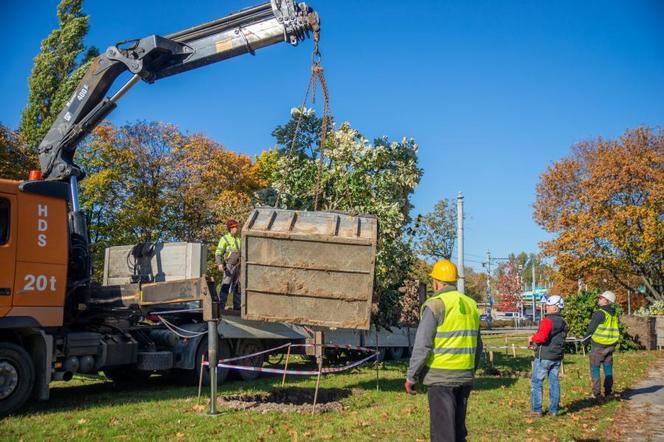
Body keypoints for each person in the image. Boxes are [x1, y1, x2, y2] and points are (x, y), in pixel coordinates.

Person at [405, 259, 482, 442]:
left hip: (440, 379)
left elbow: (423, 344)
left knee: (443, 435)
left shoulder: (436, 305)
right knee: (458, 432)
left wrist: (411, 376)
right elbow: (478, 346)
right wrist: (470, 371)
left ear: (436, 282)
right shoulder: (471, 305)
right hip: (464, 377)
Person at [528, 295, 568, 417]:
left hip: (544, 356)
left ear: (555, 308)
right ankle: (554, 410)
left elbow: (542, 337)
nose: (546, 307)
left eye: (549, 305)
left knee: (536, 382)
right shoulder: (563, 322)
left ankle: (536, 410)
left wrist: (532, 338)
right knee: (554, 382)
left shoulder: (547, 321)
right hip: (557, 357)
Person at [584, 290, 620, 400]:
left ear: (606, 301)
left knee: (595, 368)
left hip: (598, 345)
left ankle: (596, 394)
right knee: (608, 369)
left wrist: (585, 340)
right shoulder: (613, 313)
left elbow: (591, 328)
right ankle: (608, 392)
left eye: (601, 298)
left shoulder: (600, 313)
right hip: (610, 345)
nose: (599, 299)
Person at [215, 219, 242, 310]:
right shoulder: (224, 239)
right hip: (229, 266)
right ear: (231, 228)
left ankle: (237, 307)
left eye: (236, 227)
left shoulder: (239, 239)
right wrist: (219, 264)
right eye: (235, 227)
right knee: (225, 285)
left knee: (238, 286)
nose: (237, 229)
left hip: (239, 266)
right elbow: (218, 253)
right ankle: (221, 307)